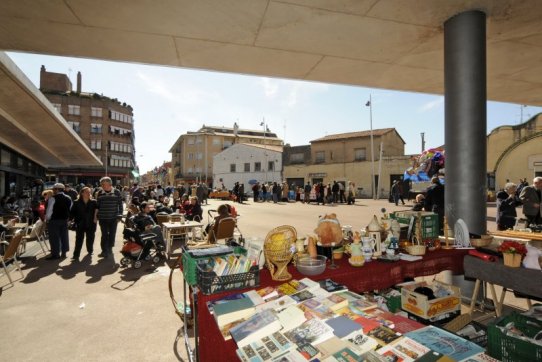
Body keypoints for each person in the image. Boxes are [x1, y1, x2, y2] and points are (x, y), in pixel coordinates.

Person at [94, 177, 123, 258]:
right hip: (103, 218)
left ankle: (109, 248)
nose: (102, 186)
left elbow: (120, 204)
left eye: (104, 184)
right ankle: (104, 250)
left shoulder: (117, 192)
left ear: (110, 184)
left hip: (113, 218)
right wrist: (96, 216)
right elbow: (97, 205)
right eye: (102, 184)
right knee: (104, 235)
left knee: (112, 234)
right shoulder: (100, 192)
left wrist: (120, 214)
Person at [45, 183, 72, 260]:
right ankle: (64, 252)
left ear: (57, 189)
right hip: (64, 220)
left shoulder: (52, 198)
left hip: (54, 220)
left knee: (54, 238)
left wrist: (47, 219)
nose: (53, 191)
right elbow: (70, 208)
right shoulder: (68, 198)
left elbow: (49, 210)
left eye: (54, 189)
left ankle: (55, 254)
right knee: (64, 236)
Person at [69, 187, 97, 261]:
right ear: (82, 193)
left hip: (91, 223)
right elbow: (72, 213)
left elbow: (97, 211)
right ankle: (76, 255)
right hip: (80, 223)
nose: (89, 193)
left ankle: (90, 250)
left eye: (89, 192)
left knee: (90, 238)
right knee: (79, 240)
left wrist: (95, 218)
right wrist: (69, 220)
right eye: (87, 192)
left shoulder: (93, 202)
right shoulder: (76, 202)